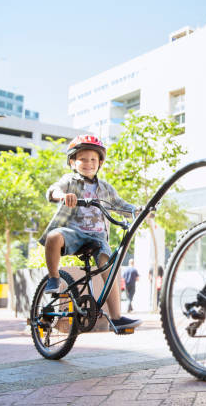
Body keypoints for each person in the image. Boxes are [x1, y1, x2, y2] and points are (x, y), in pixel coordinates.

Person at [39, 135, 142, 332]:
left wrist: (139, 211)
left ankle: (117, 318)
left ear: (100, 163)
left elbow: (120, 205)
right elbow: (53, 191)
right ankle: (53, 277)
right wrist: (63, 196)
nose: (88, 164)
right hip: (73, 232)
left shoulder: (105, 188)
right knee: (53, 237)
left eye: (93, 159)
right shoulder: (69, 180)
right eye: (83, 159)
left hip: (97, 238)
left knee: (109, 270)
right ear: (72, 162)